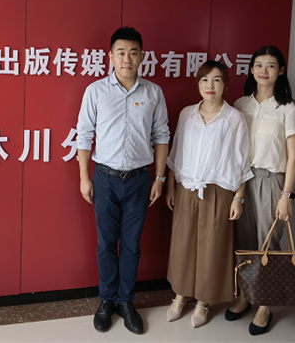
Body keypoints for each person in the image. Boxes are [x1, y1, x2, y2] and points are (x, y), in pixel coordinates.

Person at [76, 26, 170, 335]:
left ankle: (126, 302)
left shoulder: (153, 92)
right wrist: (84, 178)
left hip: (140, 180)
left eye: (133, 53)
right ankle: (106, 301)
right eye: (121, 52)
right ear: (110, 56)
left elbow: (161, 135)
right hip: (104, 178)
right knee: (106, 244)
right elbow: (84, 135)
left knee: (131, 245)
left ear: (142, 56)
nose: (126, 59)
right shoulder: (95, 91)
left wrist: (159, 178)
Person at [165, 60, 253, 328]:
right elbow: (176, 151)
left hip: (219, 191)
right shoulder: (187, 114)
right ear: (198, 84)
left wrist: (238, 197)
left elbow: (242, 160)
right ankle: (180, 295)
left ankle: (203, 300)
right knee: (183, 243)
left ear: (225, 83)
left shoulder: (234, 118)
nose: (210, 85)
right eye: (204, 79)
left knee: (212, 247)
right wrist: (171, 185)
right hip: (187, 188)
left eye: (216, 79)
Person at [225, 45, 295, 336]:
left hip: (272, 181)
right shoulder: (240, 104)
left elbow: (293, 158)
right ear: (251, 69)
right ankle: (246, 295)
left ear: (281, 71)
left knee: (268, 244)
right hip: (243, 180)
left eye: (271, 65)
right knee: (245, 242)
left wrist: (286, 196)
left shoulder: (290, 110)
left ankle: (265, 304)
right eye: (258, 65)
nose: (263, 70)